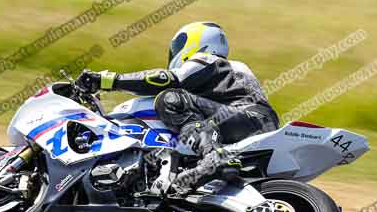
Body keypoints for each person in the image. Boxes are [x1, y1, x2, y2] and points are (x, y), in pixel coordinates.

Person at [77, 21, 279, 193]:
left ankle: (212, 155)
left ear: (199, 41)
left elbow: (168, 79)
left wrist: (109, 80)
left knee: (170, 99)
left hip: (247, 118)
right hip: (253, 122)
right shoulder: (228, 74)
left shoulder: (210, 60)